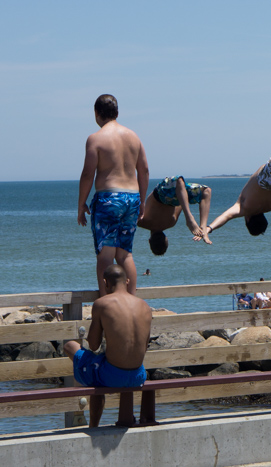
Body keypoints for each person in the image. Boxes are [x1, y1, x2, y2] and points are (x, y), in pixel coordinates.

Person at [62, 265, 151, 427]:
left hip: (112, 376)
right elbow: (144, 346)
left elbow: (94, 345)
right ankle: (121, 417)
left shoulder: (101, 304)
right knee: (99, 365)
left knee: (70, 346)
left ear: (105, 283)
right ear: (128, 281)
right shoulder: (145, 306)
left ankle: (93, 426)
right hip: (139, 375)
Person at [77, 94, 149, 296]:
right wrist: (142, 201)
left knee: (105, 255)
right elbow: (144, 170)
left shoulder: (96, 138)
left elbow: (87, 174)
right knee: (125, 254)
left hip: (109, 199)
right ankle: (131, 301)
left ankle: (107, 300)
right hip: (132, 198)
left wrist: (81, 204)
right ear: (117, 113)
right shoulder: (134, 137)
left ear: (96, 113)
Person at [139, 176, 213, 255]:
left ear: (166, 238)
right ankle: (191, 219)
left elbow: (181, 204)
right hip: (161, 194)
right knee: (178, 180)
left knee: (206, 191)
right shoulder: (142, 222)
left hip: (172, 199)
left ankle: (201, 225)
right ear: (149, 241)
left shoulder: (171, 223)